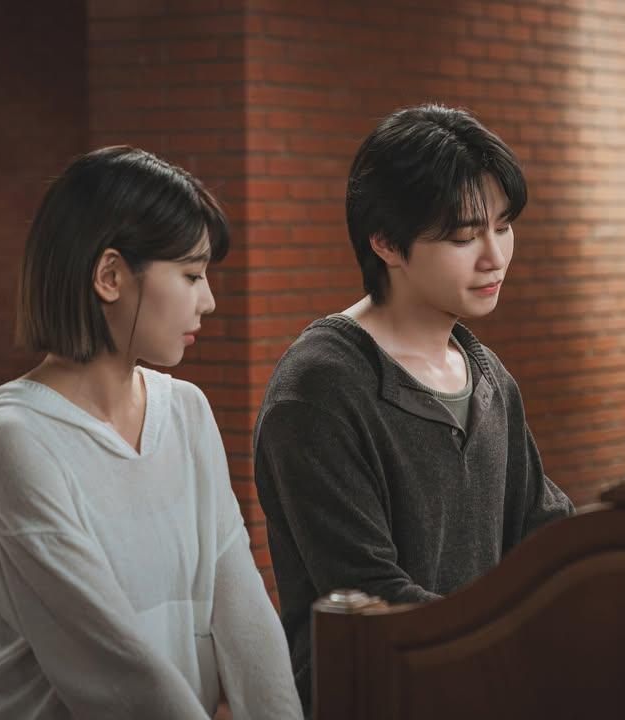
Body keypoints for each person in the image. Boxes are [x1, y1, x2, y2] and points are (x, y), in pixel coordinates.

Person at [0, 146, 302, 719]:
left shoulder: (187, 410)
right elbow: (110, 657)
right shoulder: (12, 436)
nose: (209, 301)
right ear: (111, 276)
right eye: (191, 275)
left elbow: (241, 606)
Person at [253, 103, 575, 714]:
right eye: (464, 236)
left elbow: (544, 531)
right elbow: (371, 596)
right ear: (385, 242)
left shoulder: (487, 374)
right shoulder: (320, 388)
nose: (495, 256)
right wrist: (517, 644)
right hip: (375, 698)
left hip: (486, 688)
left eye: (504, 226)